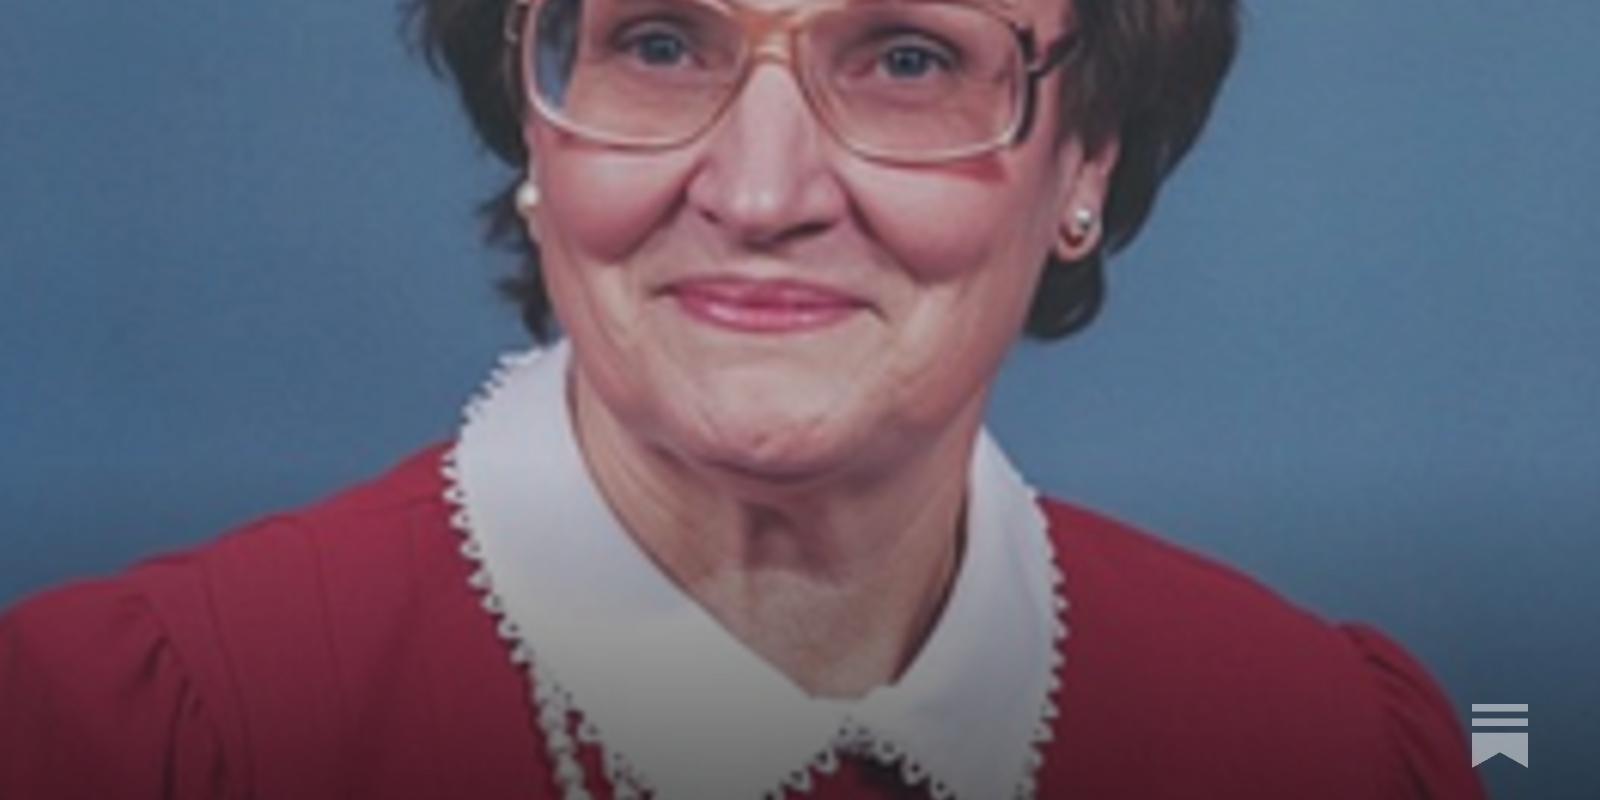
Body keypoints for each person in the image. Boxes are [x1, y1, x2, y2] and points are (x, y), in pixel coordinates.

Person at [0, 0, 1486, 797]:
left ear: (1085, 156)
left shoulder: (1321, 752)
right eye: (660, 42)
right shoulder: (139, 744)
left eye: (907, 56)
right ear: (531, 117)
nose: (762, 193)